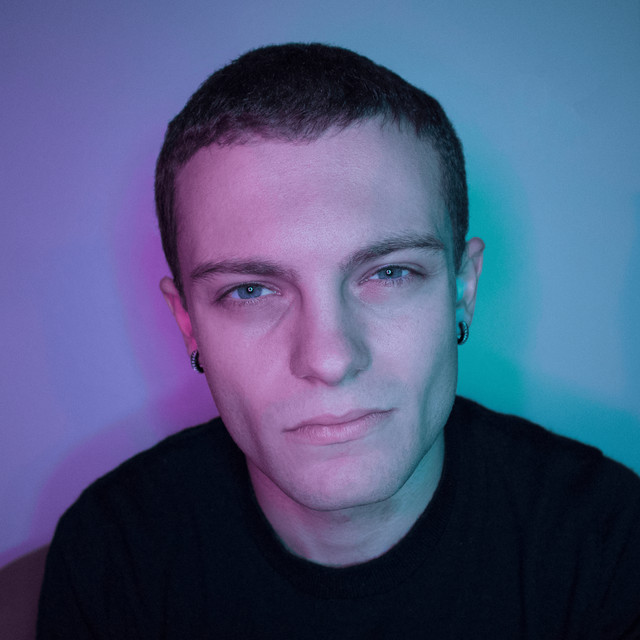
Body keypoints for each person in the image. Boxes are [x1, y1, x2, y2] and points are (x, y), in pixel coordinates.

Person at [37, 43, 640, 638]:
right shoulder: (112, 556)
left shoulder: (608, 542)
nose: (329, 359)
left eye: (390, 273)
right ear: (188, 322)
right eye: (250, 290)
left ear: (463, 290)